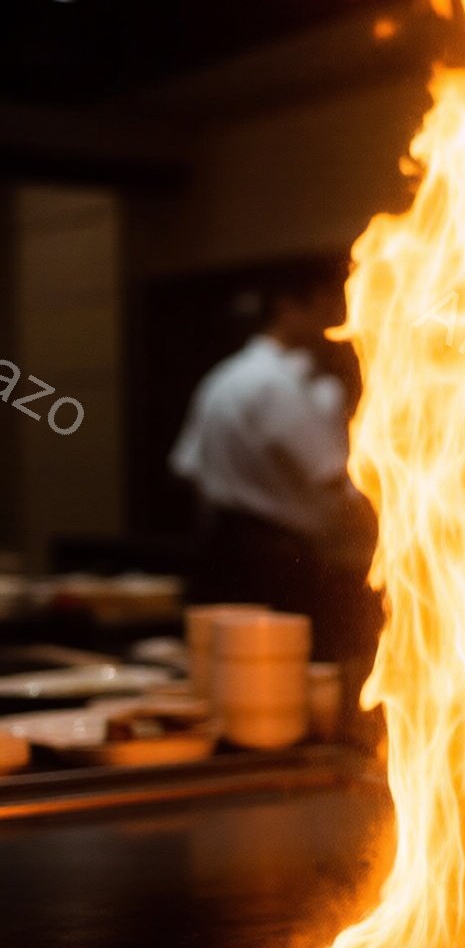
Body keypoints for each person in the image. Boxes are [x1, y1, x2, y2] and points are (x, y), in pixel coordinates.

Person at [170, 253, 376, 662]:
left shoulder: (225, 378)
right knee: (279, 682)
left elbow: (187, 467)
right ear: (287, 307)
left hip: (222, 554)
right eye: (329, 306)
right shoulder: (278, 385)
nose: (340, 318)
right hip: (278, 565)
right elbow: (336, 479)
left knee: (229, 676)